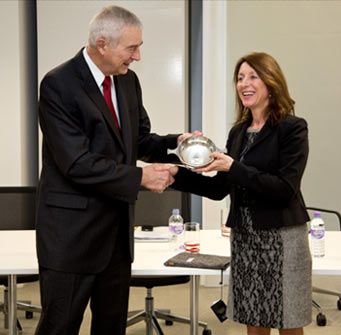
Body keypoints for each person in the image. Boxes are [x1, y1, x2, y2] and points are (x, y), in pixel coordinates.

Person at [35, 5, 187, 335]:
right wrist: (141, 177)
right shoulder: (58, 85)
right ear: (102, 44)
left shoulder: (127, 82)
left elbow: (139, 140)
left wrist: (179, 143)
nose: (137, 57)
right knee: (59, 327)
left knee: (111, 327)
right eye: (132, 48)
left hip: (117, 237)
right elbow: (77, 163)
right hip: (71, 238)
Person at [171, 52, 311, 335]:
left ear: (271, 82)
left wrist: (234, 166)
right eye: (239, 78)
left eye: (252, 76)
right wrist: (176, 175)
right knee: (254, 318)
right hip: (245, 240)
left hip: (282, 239)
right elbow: (220, 187)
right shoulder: (238, 132)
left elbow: (284, 189)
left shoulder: (292, 128)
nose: (244, 84)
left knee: (288, 320)